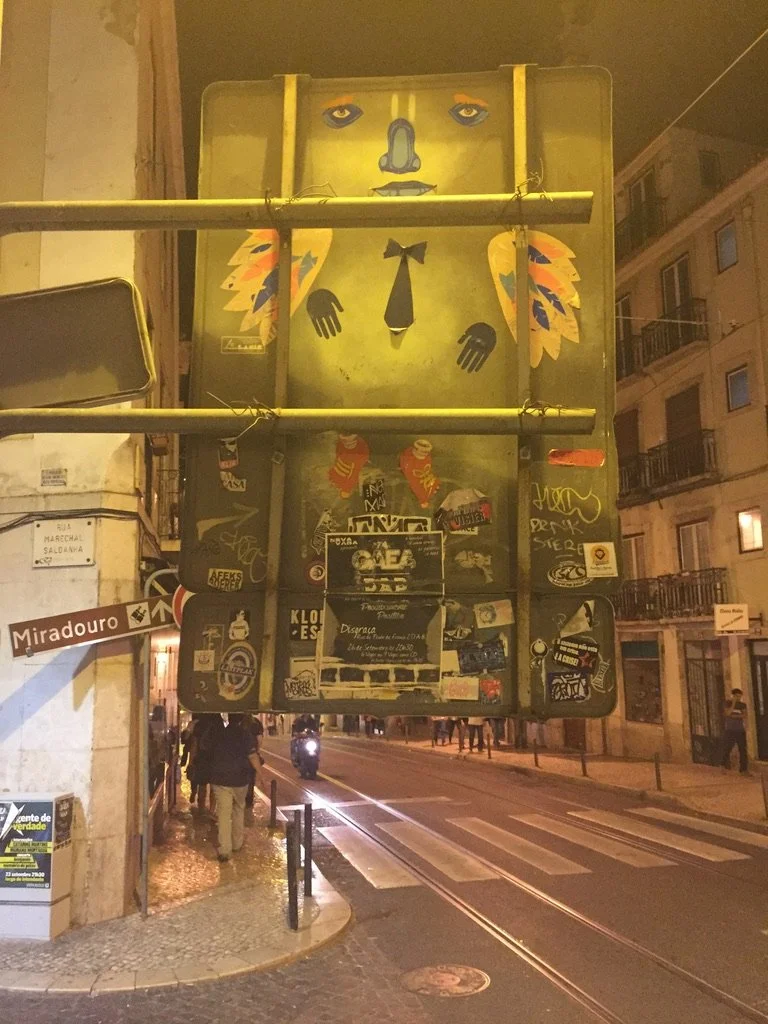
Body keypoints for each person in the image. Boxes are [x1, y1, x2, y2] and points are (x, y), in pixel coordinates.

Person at [208, 714, 261, 862]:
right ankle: (237, 843)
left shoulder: (219, 733)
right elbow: (253, 756)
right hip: (240, 780)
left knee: (224, 814)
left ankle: (225, 850)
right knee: (238, 809)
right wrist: (261, 775)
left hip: (221, 779)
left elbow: (208, 749)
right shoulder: (245, 734)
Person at [721, 688, 750, 774]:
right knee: (727, 748)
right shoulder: (727, 703)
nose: (739, 698)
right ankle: (723, 765)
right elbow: (727, 713)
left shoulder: (742, 705)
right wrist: (733, 704)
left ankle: (743, 769)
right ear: (733, 696)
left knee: (743, 749)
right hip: (730, 730)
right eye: (737, 696)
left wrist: (734, 716)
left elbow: (744, 715)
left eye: (740, 696)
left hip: (740, 730)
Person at [243, 712, 265, 808]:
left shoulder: (237, 721)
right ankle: (248, 801)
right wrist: (258, 750)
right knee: (251, 778)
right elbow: (259, 739)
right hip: (252, 753)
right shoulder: (256, 723)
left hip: (239, 756)